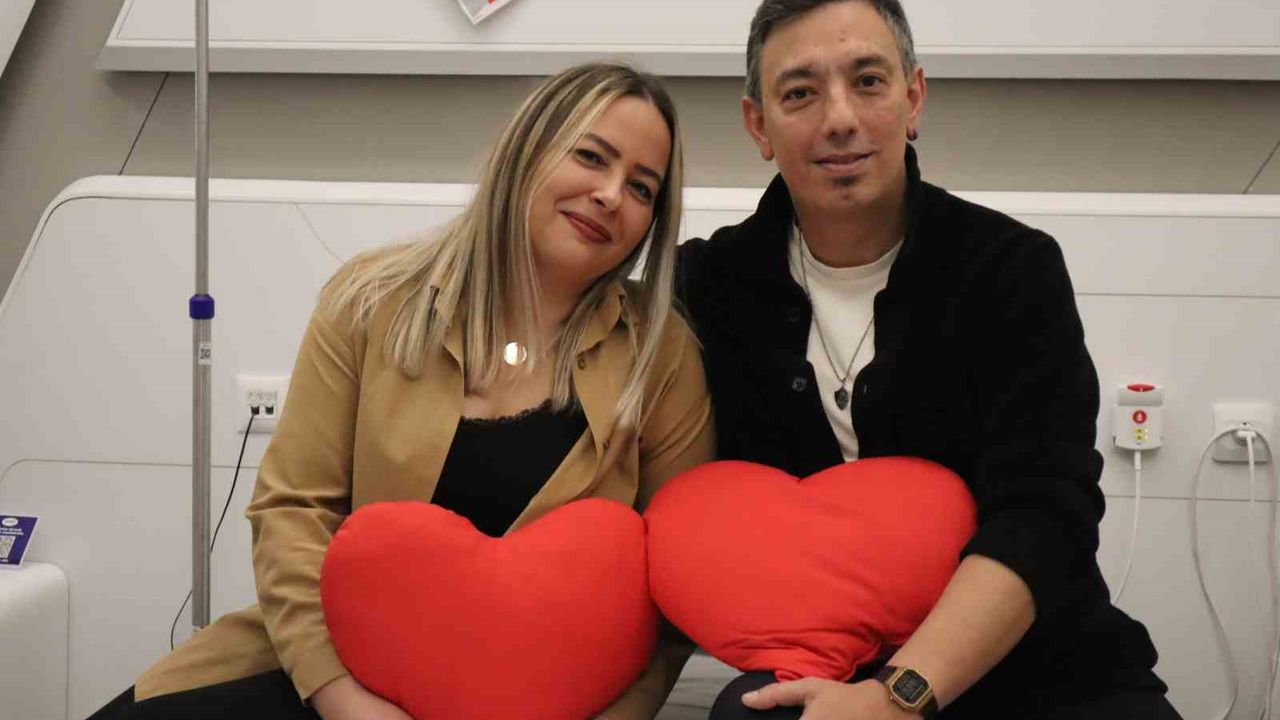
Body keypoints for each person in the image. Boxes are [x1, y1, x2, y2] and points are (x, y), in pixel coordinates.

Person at [87, 62, 712, 720]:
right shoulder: (372, 300)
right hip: (334, 673)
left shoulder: (661, 355)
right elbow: (294, 511)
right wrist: (341, 698)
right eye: (591, 156)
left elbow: (673, 598)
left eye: (641, 188)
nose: (611, 194)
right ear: (527, 149)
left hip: (547, 703)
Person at [674, 1, 1181, 718]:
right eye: (800, 93)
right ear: (759, 125)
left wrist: (900, 697)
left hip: (1039, 670)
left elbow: (1046, 512)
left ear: (913, 98)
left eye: (868, 81)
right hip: (821, 665)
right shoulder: (703, 287)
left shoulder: (1010, 269)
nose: (839, 118)